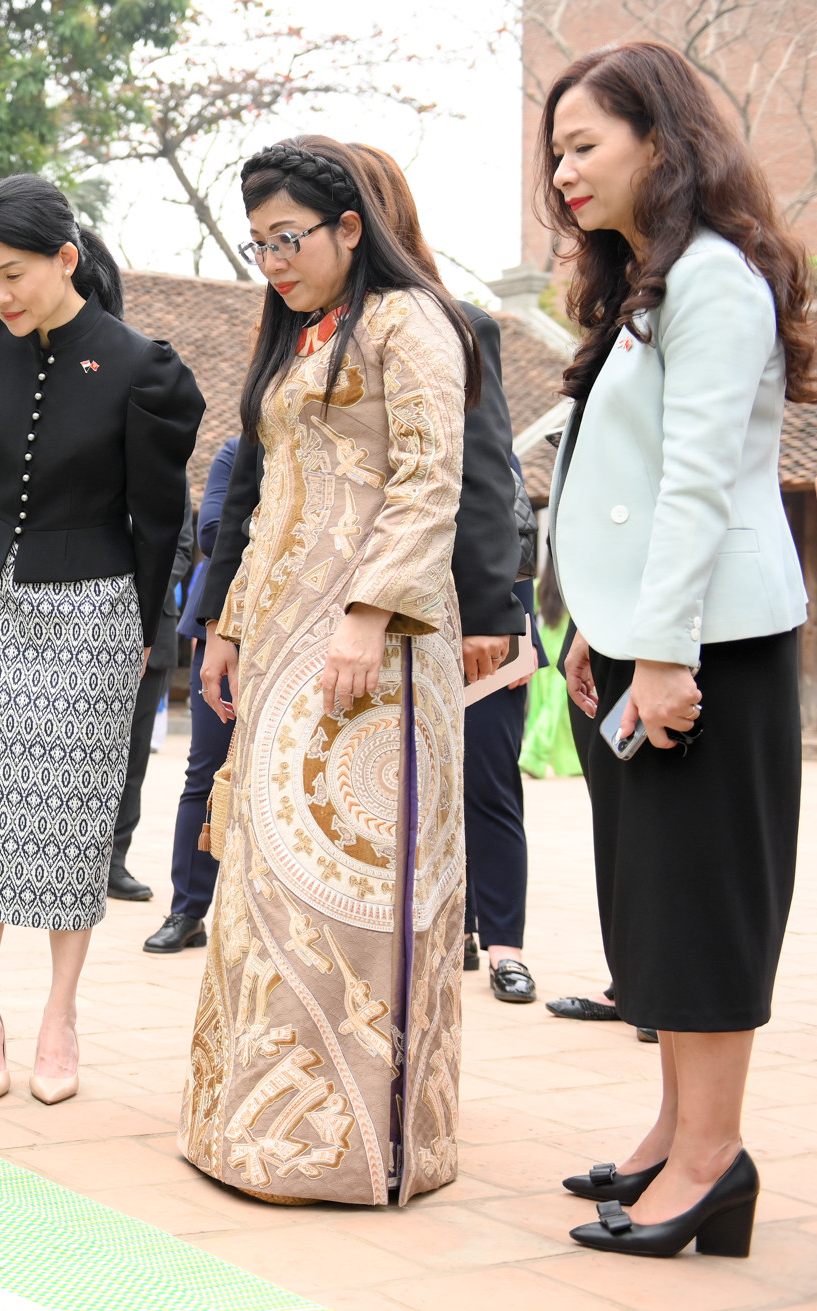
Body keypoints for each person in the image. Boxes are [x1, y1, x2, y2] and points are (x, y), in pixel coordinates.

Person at [539, 41, 812, 1257]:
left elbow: (697, 481)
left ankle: (708, 1159)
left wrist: (660, 654)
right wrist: (605, 628)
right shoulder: (654, 278)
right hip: (653, 639)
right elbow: (626, 488)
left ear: (661, 139)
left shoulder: (712, 278)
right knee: (655, 900)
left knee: (703, 907)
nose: (561, 175)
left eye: (582, 146)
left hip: (710, 648)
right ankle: (674, 1134)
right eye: (553, 152)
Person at [181, 137, 480, 1205]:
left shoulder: (410, 324)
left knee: (355, 886)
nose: (271, 258)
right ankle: (255, 1131)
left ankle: (354, 1147)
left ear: (350, 229)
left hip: (376, 652)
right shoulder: (299, 337)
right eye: (256, 242)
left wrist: (365, 613)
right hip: (279, 642)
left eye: (288, 237)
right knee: (270, 880)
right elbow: (264, 497)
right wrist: (223, 622)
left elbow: (425, 479)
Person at [0, 173, 204, 1106]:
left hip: (94, 607)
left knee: (75, 813)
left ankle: (59, 1011)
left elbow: (157, 518)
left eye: (13, 275)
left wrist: (145, 629)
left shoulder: (142, 368)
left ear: (66, 258)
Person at [348, 141, 540, 1006]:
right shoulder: (315, 329)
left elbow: (488, 472)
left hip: (468, 605)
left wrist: (495, 611)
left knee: (488, 777)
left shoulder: (459, 323)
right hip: (364, 604)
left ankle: (502, 939)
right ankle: (435, 931)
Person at [144, 435, 239, 953]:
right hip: (226, 620)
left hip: (315, 627)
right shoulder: (237, 450)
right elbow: (213, 528)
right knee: (205, 770)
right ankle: (188, 909)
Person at [108, 510, 194, 902]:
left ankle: (113, 862)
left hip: (153, 630)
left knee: (133, 758)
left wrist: (137, 588)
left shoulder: (166, 467)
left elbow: (182, 549)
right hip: (87, 623)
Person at [520, 560, 582, 781]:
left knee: (543, 706)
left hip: (547, 650)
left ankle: (551, 759)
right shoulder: (573, 587)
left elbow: (523, 609)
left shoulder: (541, 587)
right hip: (568, 652)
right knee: (559, 711)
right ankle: (534, 757)